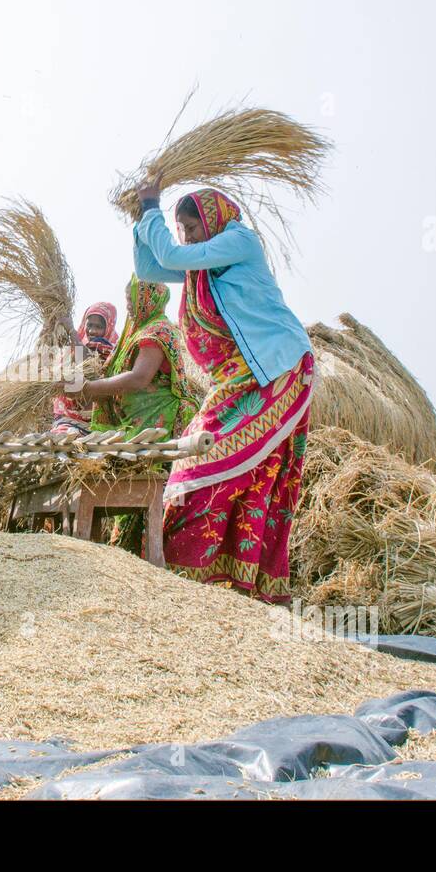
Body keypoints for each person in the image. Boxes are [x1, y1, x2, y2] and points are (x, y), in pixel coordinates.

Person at [133, 176, 315, 604]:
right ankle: (211, 576)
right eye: (183, 230)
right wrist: (142, 219)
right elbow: (150, 268)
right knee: (206, 460)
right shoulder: (203, 259)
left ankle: (216, 576)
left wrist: (152, 206)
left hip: (279, 369)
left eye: (193, 228)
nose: (188, 238)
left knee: (218, 460)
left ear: (212, 221)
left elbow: (172, 255)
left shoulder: (240, 241)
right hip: (238, 377)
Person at [83, 275, 197, 441]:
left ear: (147, 299)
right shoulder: (136, 332)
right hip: (136, 422)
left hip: (158, 422)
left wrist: (89, 388)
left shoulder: (157, 331)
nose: (128, 306)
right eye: (127, 300)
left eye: (132, 299)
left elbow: (139, 378)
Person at [50, 302, 117, 434]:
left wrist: (71, 331)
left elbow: (89, 363)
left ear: (109, 327)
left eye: (99, 326)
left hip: (97, 420)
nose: (92, 331)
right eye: (89, 325)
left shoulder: (110, 349)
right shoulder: (76, 346)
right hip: (70, 418)